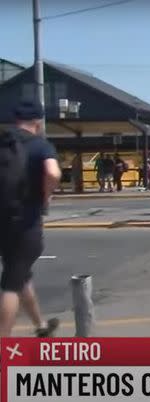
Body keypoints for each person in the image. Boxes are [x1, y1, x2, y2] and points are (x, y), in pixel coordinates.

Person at [0, 101, 61, 337]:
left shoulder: (3, 142)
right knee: (11, 286)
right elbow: (53, 173)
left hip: (2, 221)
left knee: (19, 272)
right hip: (25, 223)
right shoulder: (40, 145)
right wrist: (45, 196)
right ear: (37, 121)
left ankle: (40, 326)